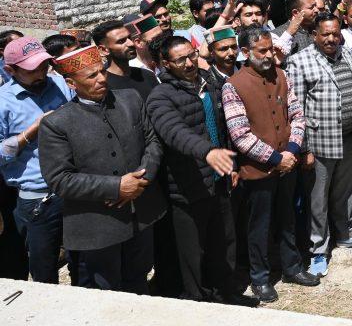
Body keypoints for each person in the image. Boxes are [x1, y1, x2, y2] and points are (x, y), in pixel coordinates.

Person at [39, 46, 166, 293]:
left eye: (102, 72)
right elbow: (59, 179)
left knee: (139, 279)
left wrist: (141, 180)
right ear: (71, 83)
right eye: (91, 76)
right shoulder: (56, 124)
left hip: (142, 214)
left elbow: (152, 141)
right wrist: (117, 187)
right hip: (98, 224)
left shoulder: (130, 99)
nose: (101, 79)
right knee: (106, 288)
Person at [146, 36, 251, 305]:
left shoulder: (211, 83)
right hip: (187, 187)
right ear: (166, 64)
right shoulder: (161, 96)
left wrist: (232, 164)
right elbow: (174, 132)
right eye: (180, 60)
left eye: (191, 55)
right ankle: (197, 301)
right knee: (193, 252)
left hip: (220, 180)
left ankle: (226, 294)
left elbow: (223, 128)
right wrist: (207, 152)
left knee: (224, 243)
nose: (189, 63)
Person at [222, 28, 319, 302]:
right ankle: (260, 278)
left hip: (287, 164)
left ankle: (292, 267)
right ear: (245, 52)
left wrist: (291, 151)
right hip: (259, 171)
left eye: (270, 50)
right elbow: (240, 135)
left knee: (287, 219)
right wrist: (276, 159)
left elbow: (297, 116)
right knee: (259, 227)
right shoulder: (234, 85)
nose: (268, 56)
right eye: (261, 51)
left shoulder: (281, 75)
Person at [286, 15, 352, 278]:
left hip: (349, 137)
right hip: (319, 143)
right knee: (318, 200)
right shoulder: (299, 61)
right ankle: (318, 250)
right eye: (325, 34)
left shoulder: (347, 54)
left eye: (335, 33)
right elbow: (296, 110)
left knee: (346, 191)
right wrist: (304, 149)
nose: (331, 39)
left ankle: (345, 234)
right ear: (315, 35)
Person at [0, 37, 73, 283]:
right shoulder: (3, 102)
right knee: (44, 268)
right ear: (10, 70)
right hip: (38, 199)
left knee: (82, 259)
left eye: (44, 65)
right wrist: (30, 132)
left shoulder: (61, 84)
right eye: (32, 69)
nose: (41, 73)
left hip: (75, 188)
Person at [92, 20, 160, 99]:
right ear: (104, 50)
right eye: (121, 41)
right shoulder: (103, 86)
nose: (131, 43)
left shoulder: (147, 75)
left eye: (129, 38)